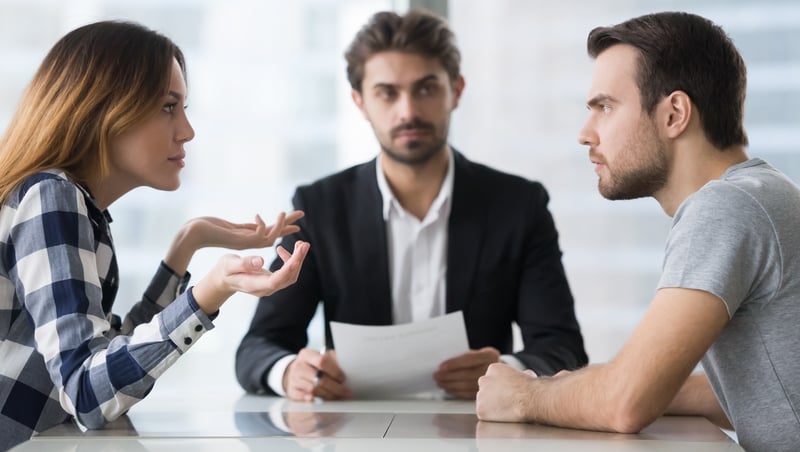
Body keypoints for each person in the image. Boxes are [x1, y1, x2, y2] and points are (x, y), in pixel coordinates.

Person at [475, 11, 800, 451]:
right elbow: (766, 389)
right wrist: (595, 386)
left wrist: (523, 395)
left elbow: (624, 406)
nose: (585, 134)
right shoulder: (766, 192)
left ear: (674, 115)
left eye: (605, 107)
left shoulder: (725, 207)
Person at [235, 9, 587, 402]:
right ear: (359, 102)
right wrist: (290, 374)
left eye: (426, 89)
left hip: (479, 431)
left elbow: (563, 348)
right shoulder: (319, 207)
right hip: (355, 434)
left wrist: (508, 372)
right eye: (387, 93)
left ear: (456, 91)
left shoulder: (519, 206)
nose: (408, 112)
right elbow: (258, 347)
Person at [0, 21, 309, 450]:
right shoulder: (52, 199)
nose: (187, 130)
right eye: (168, 106)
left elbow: (102, 361)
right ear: (104, 108)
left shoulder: (71, 205)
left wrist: (188, 243)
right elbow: (87, 393)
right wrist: (209, 293)